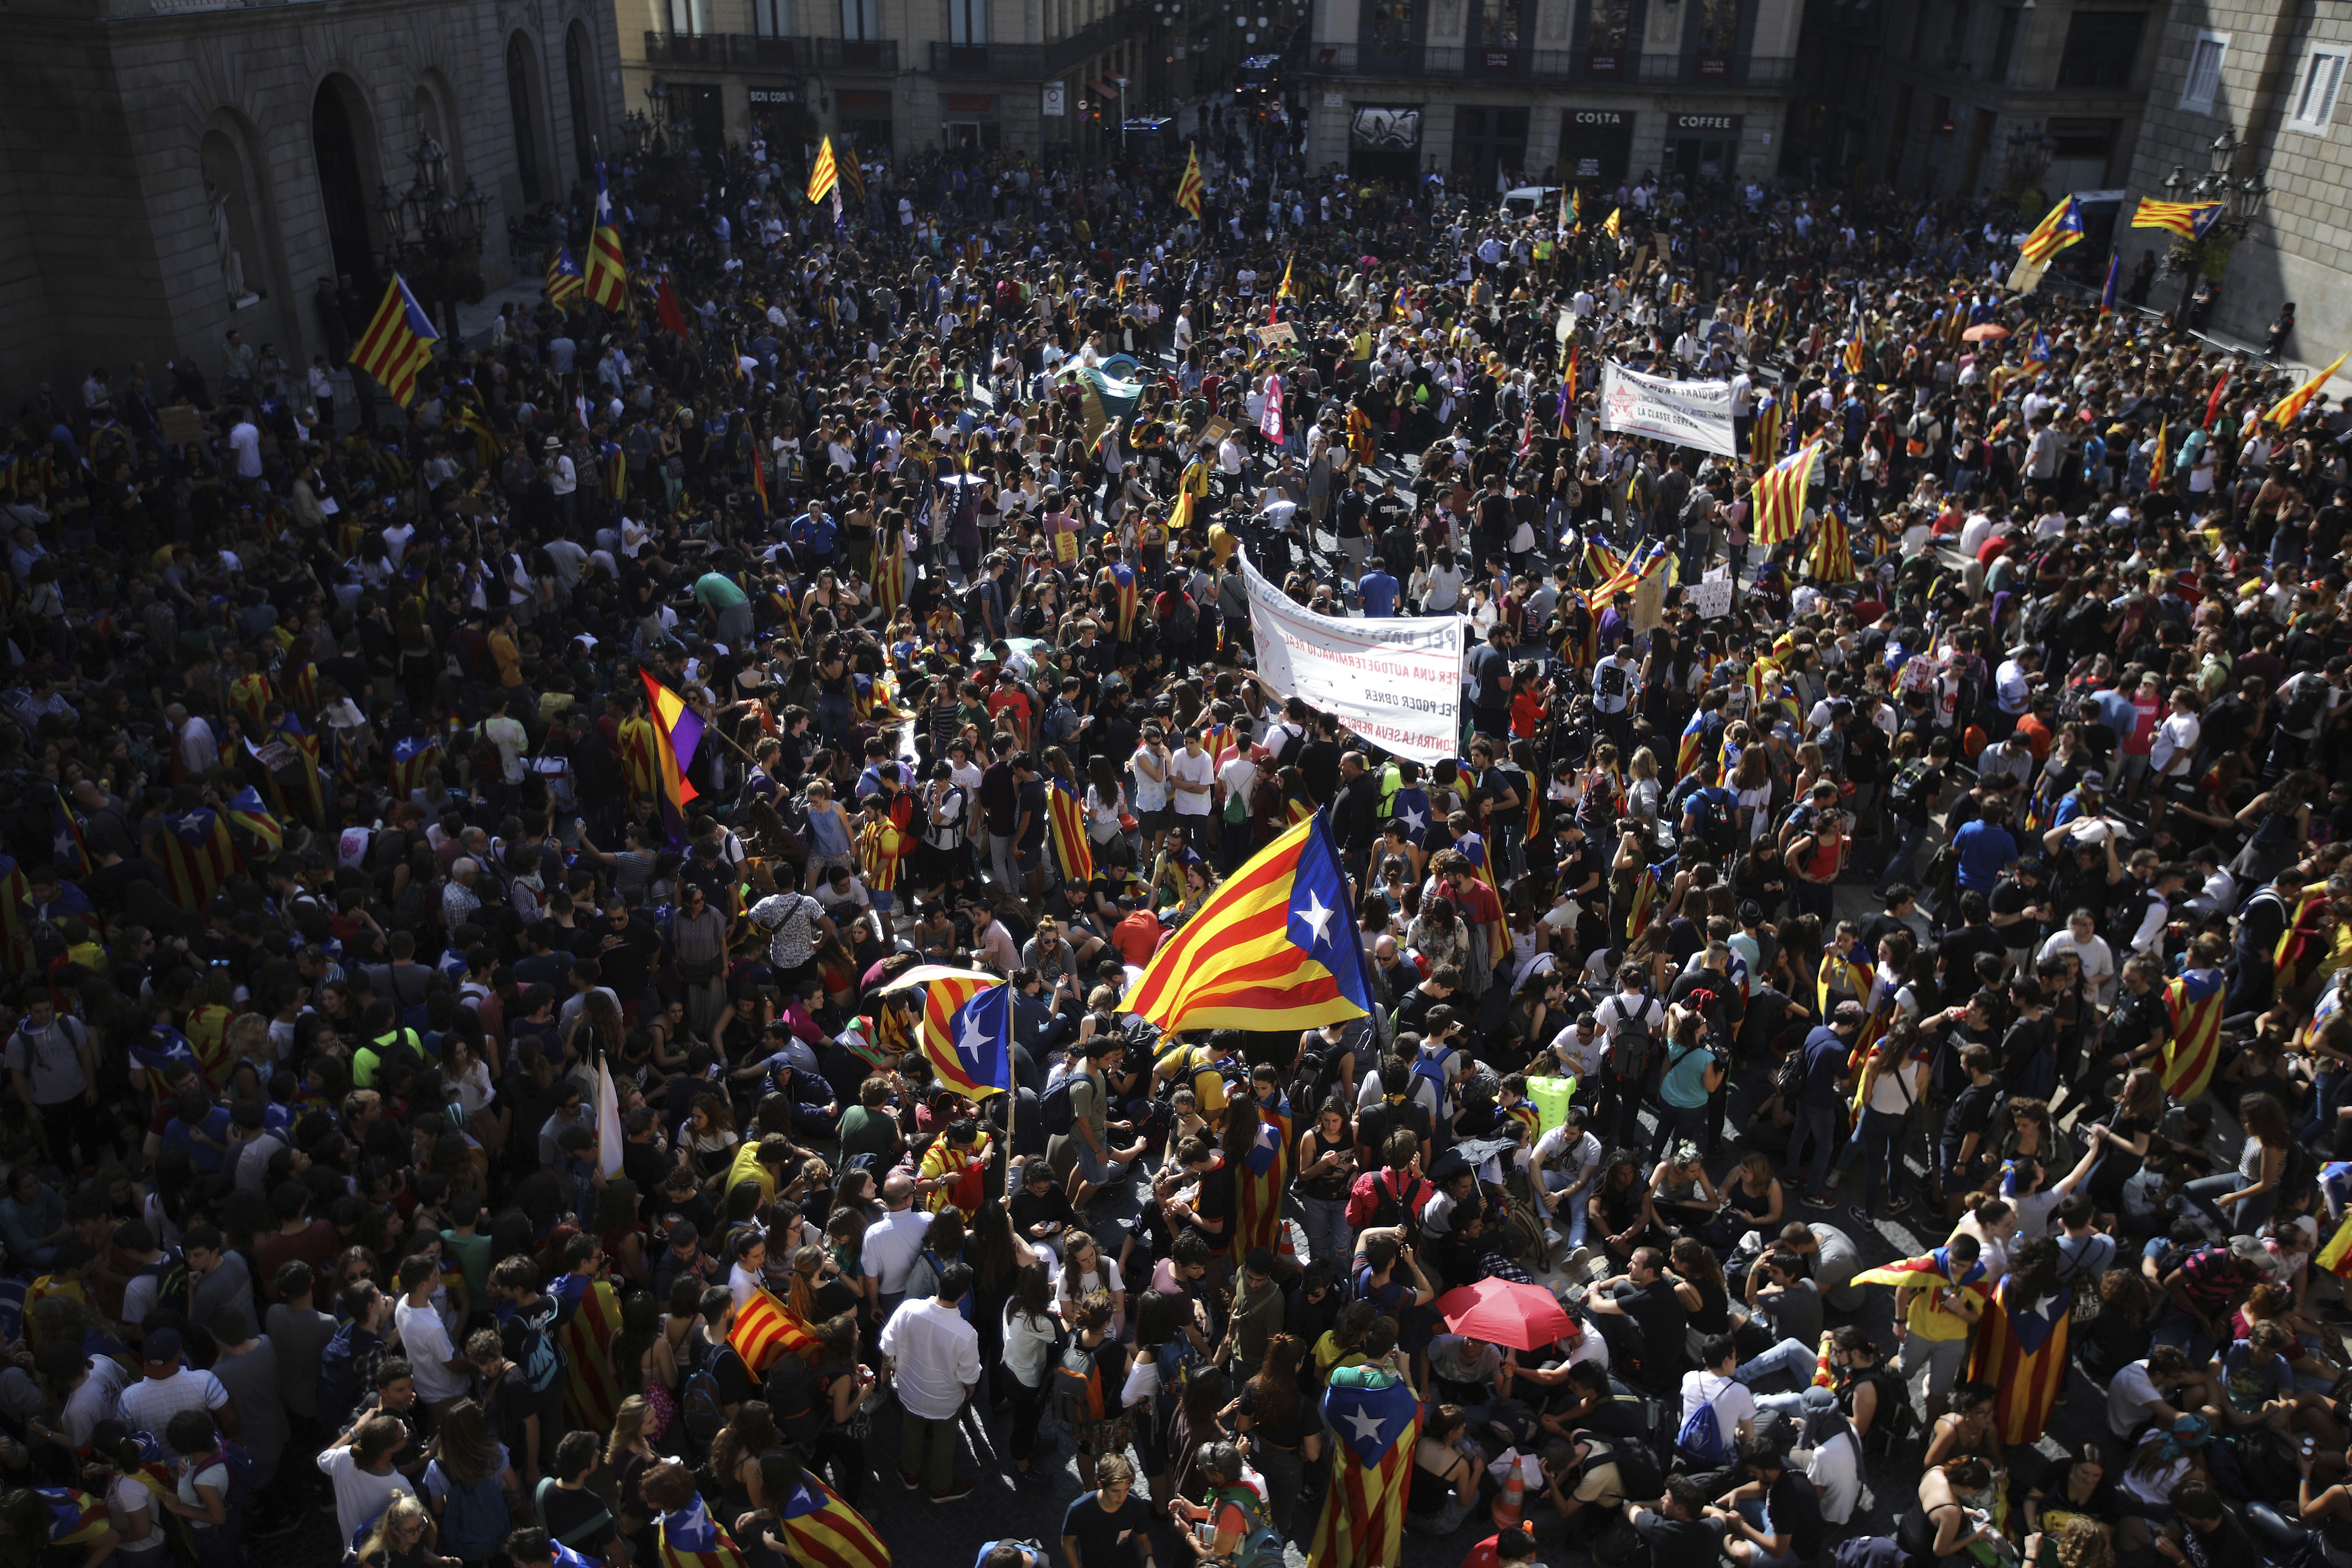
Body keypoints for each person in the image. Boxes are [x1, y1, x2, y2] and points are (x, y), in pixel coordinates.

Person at [877, 1258, 981, 1502]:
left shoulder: (908, 1308)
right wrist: (971, 1389)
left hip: (909, 1390)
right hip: (943, 1402)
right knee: (945, 1439)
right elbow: (968, 1376)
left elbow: (887, 1345)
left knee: (911, 1428)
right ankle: (941, 1487)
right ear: (964, 1295)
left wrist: (885, 1367)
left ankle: (909, 1473)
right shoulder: (965, 1333)